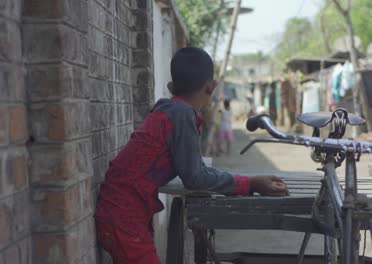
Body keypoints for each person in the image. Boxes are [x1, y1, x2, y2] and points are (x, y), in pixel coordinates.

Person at [94, 47, 289, 264]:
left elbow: (194, 169)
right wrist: (250, 184)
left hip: (119, 212)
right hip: (123, 218)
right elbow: (195, 177)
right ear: (211, 87)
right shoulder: (181, 114)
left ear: (172, 87)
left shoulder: (169, 110)